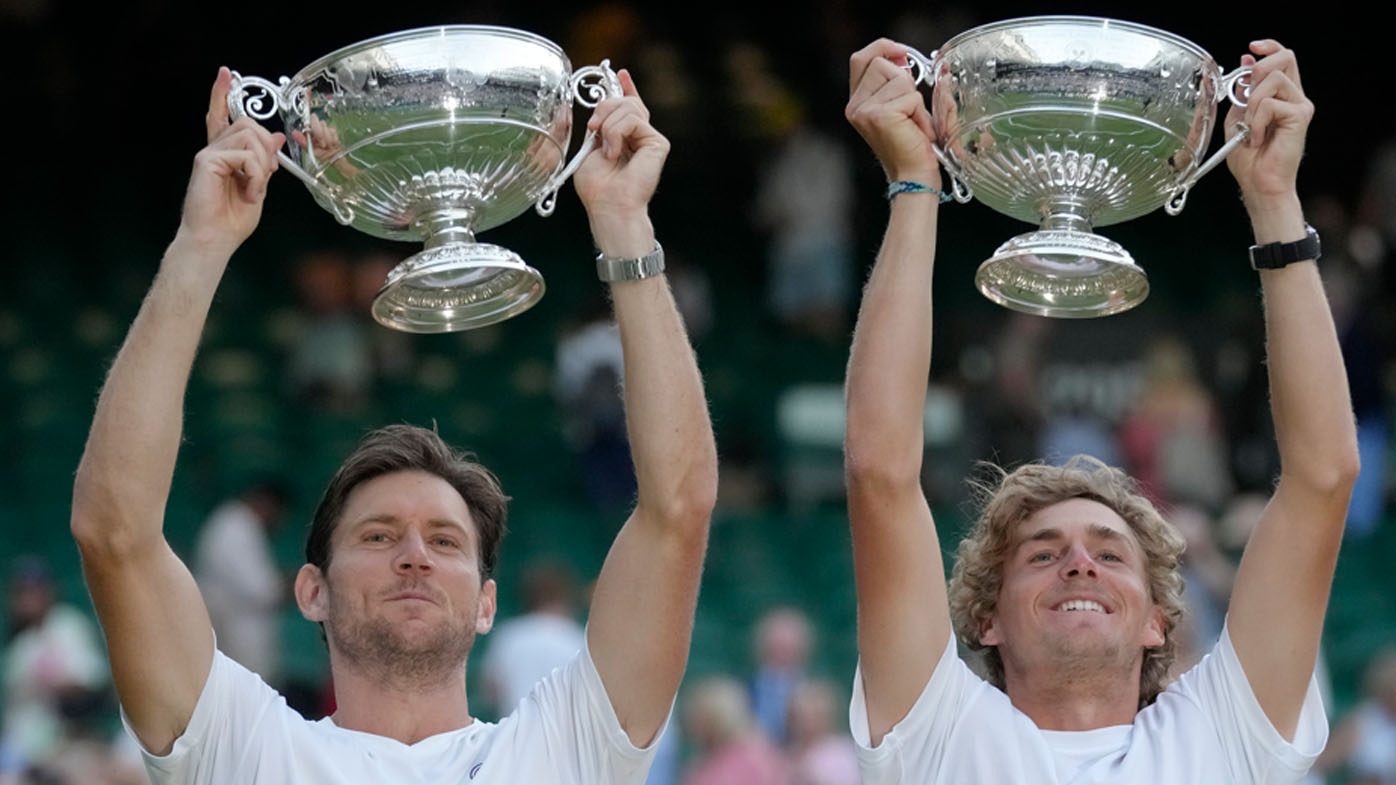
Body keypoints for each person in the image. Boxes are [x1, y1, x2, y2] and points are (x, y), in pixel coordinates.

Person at [70, 65, 717, 785]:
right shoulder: (244, 745)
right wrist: (200, 245)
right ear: (311, 588)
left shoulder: (567, 742)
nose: (415, 555)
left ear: (486, 602)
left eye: (445, 541)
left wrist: (627, 226)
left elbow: (678, 509)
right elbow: (115, 531)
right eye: (377, 535)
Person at [842, 38, 1353, 784]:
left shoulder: (1226, 731)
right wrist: (914, 185)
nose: (1080, 561)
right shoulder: (939, 729)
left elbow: (1322, 476)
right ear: (986, 618)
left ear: (1156, 622)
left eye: (1111, 554)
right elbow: (879, 469)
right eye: (1043, 553)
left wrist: (1275, 199)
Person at [193, 479, 291, 682]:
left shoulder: (235, 523)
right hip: (235, 638)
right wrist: (296, 584)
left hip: (233, 637)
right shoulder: (236, 526)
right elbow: (261, 590)